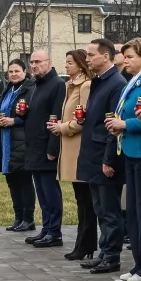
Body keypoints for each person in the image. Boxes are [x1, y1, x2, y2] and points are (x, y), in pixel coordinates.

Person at [107, 39, 141, 281]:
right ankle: (139, 263)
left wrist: (125, 124)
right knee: (133, 211)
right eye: (124, 56)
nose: (125, 61)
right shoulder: (132, 81)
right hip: (129, 148)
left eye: (129, 57)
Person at [78, 39, 127, 274]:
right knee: (99, 208)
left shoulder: (116, 83)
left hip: (104, 157)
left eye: (91, 55)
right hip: (92, 154)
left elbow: (113, 126)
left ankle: (112, 256)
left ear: (106, 57)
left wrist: (109, 159)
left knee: (109, 210)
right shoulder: (99, 81)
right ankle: (104, 251)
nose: (87, 59)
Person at [54, 49, 97, 261]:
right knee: (81, 198)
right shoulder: (69, 85)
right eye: (66, 61)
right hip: (70, 147)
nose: (67, 65)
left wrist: (64, 127)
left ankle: (86, 243)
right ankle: (83, 243)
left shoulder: (86, 86)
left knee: (86, 200)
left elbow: (84, 118)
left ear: (81, 64)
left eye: (71, 62)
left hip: (80, 148)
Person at [22, 49, 66, 247]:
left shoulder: (57, 85)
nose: (34, 65)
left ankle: (55, 231)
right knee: (41, 191)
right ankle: (46, 228)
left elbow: (56, 116)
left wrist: (53, 148)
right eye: (31, 62)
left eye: (38, 61)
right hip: (34, 146)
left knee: (50, 191)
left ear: (49, 62)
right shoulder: (35, 85)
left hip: (47, 147)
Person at [0, 60, 34, 230]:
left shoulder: (30, 90)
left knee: (24, 180)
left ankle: (28, 219)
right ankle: (18, 217)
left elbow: (32, 117)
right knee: (12, 181)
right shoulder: (8, 90)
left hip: (22, 142)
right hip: (6, 142)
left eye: (17, 71)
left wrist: (14, 121)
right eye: (10, 71)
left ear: (25, 72)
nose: (14, 74)